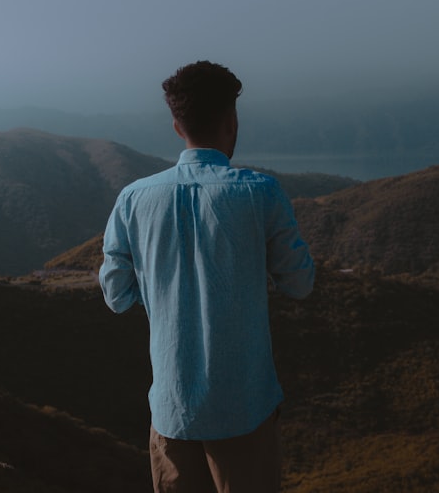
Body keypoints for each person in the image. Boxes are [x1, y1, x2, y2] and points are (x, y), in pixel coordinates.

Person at [99, 60, 315, 492]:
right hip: (245, 408)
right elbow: (300, 283)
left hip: (172, 411)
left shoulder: (133, 199)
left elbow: (117, 294)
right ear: (231, 121)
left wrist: (165, 291)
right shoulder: (260, 192)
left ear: (177, 126)